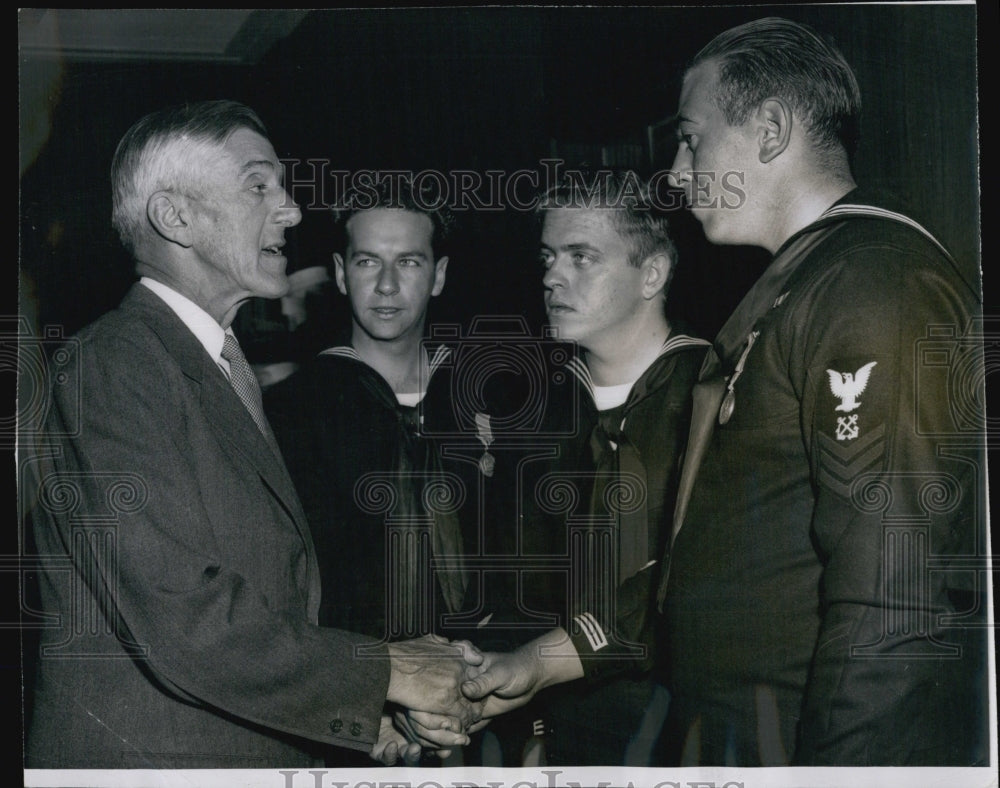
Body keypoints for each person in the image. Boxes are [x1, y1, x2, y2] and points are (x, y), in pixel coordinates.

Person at [21, 99, 483, 769]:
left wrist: (359, 717)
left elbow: (263, 604)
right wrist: (390, 670)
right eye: (259, 184)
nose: (292, 209)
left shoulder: (209, 365)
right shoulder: (114, 366)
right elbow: (187, 620)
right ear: (174, 215)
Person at [651, 18, 987, 765]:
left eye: (690, 138)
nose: (677, 173)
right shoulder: (809, 280)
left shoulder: (875, 284)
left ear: (769, 129)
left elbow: (892, 604)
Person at [459, 170, 709, 766]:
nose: (550, 277)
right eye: (548, 257)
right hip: (549, 723)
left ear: (651, 274)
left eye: (582, 257)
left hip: (677, 730)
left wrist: (535, 665)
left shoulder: (711, 395)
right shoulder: (539, 409)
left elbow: (679, 591)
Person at [265, 179, 494, 765]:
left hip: (484, 707)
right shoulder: (290, 413)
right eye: (368, 262)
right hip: (358, 724)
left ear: (438, 275)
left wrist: (476, 685)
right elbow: (285, 591)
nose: (387, 285)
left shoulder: (487, 401)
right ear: (341, 274)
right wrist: (377, 700)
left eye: (409, 262)